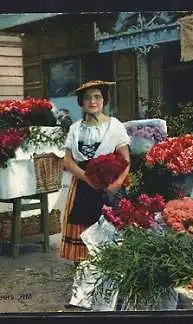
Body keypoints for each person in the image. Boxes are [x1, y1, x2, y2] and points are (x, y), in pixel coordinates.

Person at [60, 80, 131, 265]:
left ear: (104, 100)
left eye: (97, 97)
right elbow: (68, 160)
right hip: (82, 186)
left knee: (109, 228)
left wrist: (116, 185)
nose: (93, 101)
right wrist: (86, 178)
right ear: (81, 103)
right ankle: (83, 272)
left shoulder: (115, 126)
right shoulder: (75, 129)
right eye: (87, 98)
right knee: (82, 226)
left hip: (109, 186)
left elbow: (126, 160)